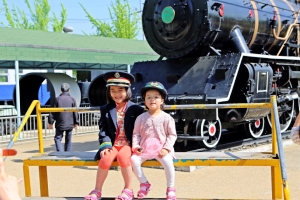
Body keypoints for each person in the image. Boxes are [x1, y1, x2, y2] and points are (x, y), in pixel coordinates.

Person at [84, 71, 144, 200]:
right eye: (113, 90)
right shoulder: (106, 108)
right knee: (105, 158)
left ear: (127, 90)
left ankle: (128, 189)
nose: (117, 94)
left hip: (128, 144)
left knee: (124, 158)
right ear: (109, 92)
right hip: (113, 144)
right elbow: (103, 129)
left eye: (120, 90)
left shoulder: (137, 109)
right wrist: (105, 145)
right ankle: (97, 190)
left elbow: (141, 130)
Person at [131, 81, 177, 200]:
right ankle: (144, 183)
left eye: (156, 97)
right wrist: (136, 146)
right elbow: (136, 133)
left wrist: (166, 148)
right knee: (133, 160)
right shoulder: (140, 118)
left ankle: (170, 188)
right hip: (145, 149)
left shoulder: (167, 118)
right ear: (144, 101)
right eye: (149, 97)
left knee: (168, 163)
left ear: (162, 100)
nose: (152, 100)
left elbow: (172, 135)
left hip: (161, 150)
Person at [48, 83, 79, 152]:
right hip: (70, 123)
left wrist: (51, 122)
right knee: (68, 139)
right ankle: (67, 153)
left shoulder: (57, 99)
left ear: (61, 90)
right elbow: (75, 111)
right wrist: (76, 122)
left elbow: (52, 112)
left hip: (60, 123)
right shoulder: (72, 99)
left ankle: (60, 153)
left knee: (58, 138)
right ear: (69, 90)